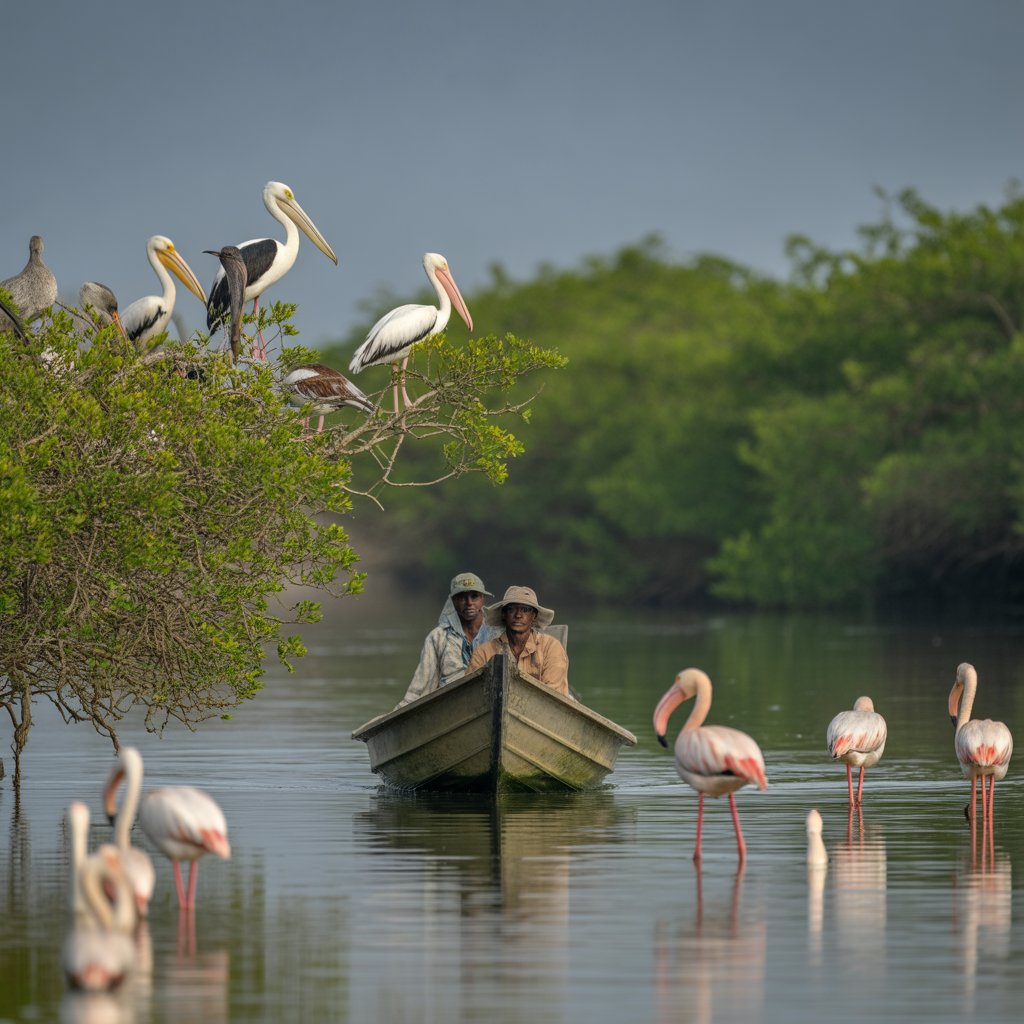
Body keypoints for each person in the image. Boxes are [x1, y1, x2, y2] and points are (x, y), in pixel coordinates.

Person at [397, 572, 496, 707]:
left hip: (491, 696)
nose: (469, 603)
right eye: (462, 597)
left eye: (474, 596)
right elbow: (420, 686)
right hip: (450, 704)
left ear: (483, 599)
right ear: (453, 601)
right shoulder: (438, 637)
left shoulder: (497, 633)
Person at [465, 586, 570, 697]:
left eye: (525, 610)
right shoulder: (484, 652)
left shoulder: (551, 647)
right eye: (511, 609)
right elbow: (470, 692)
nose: (518, 615)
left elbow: (553, 695)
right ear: (504, 615)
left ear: (534, 616)